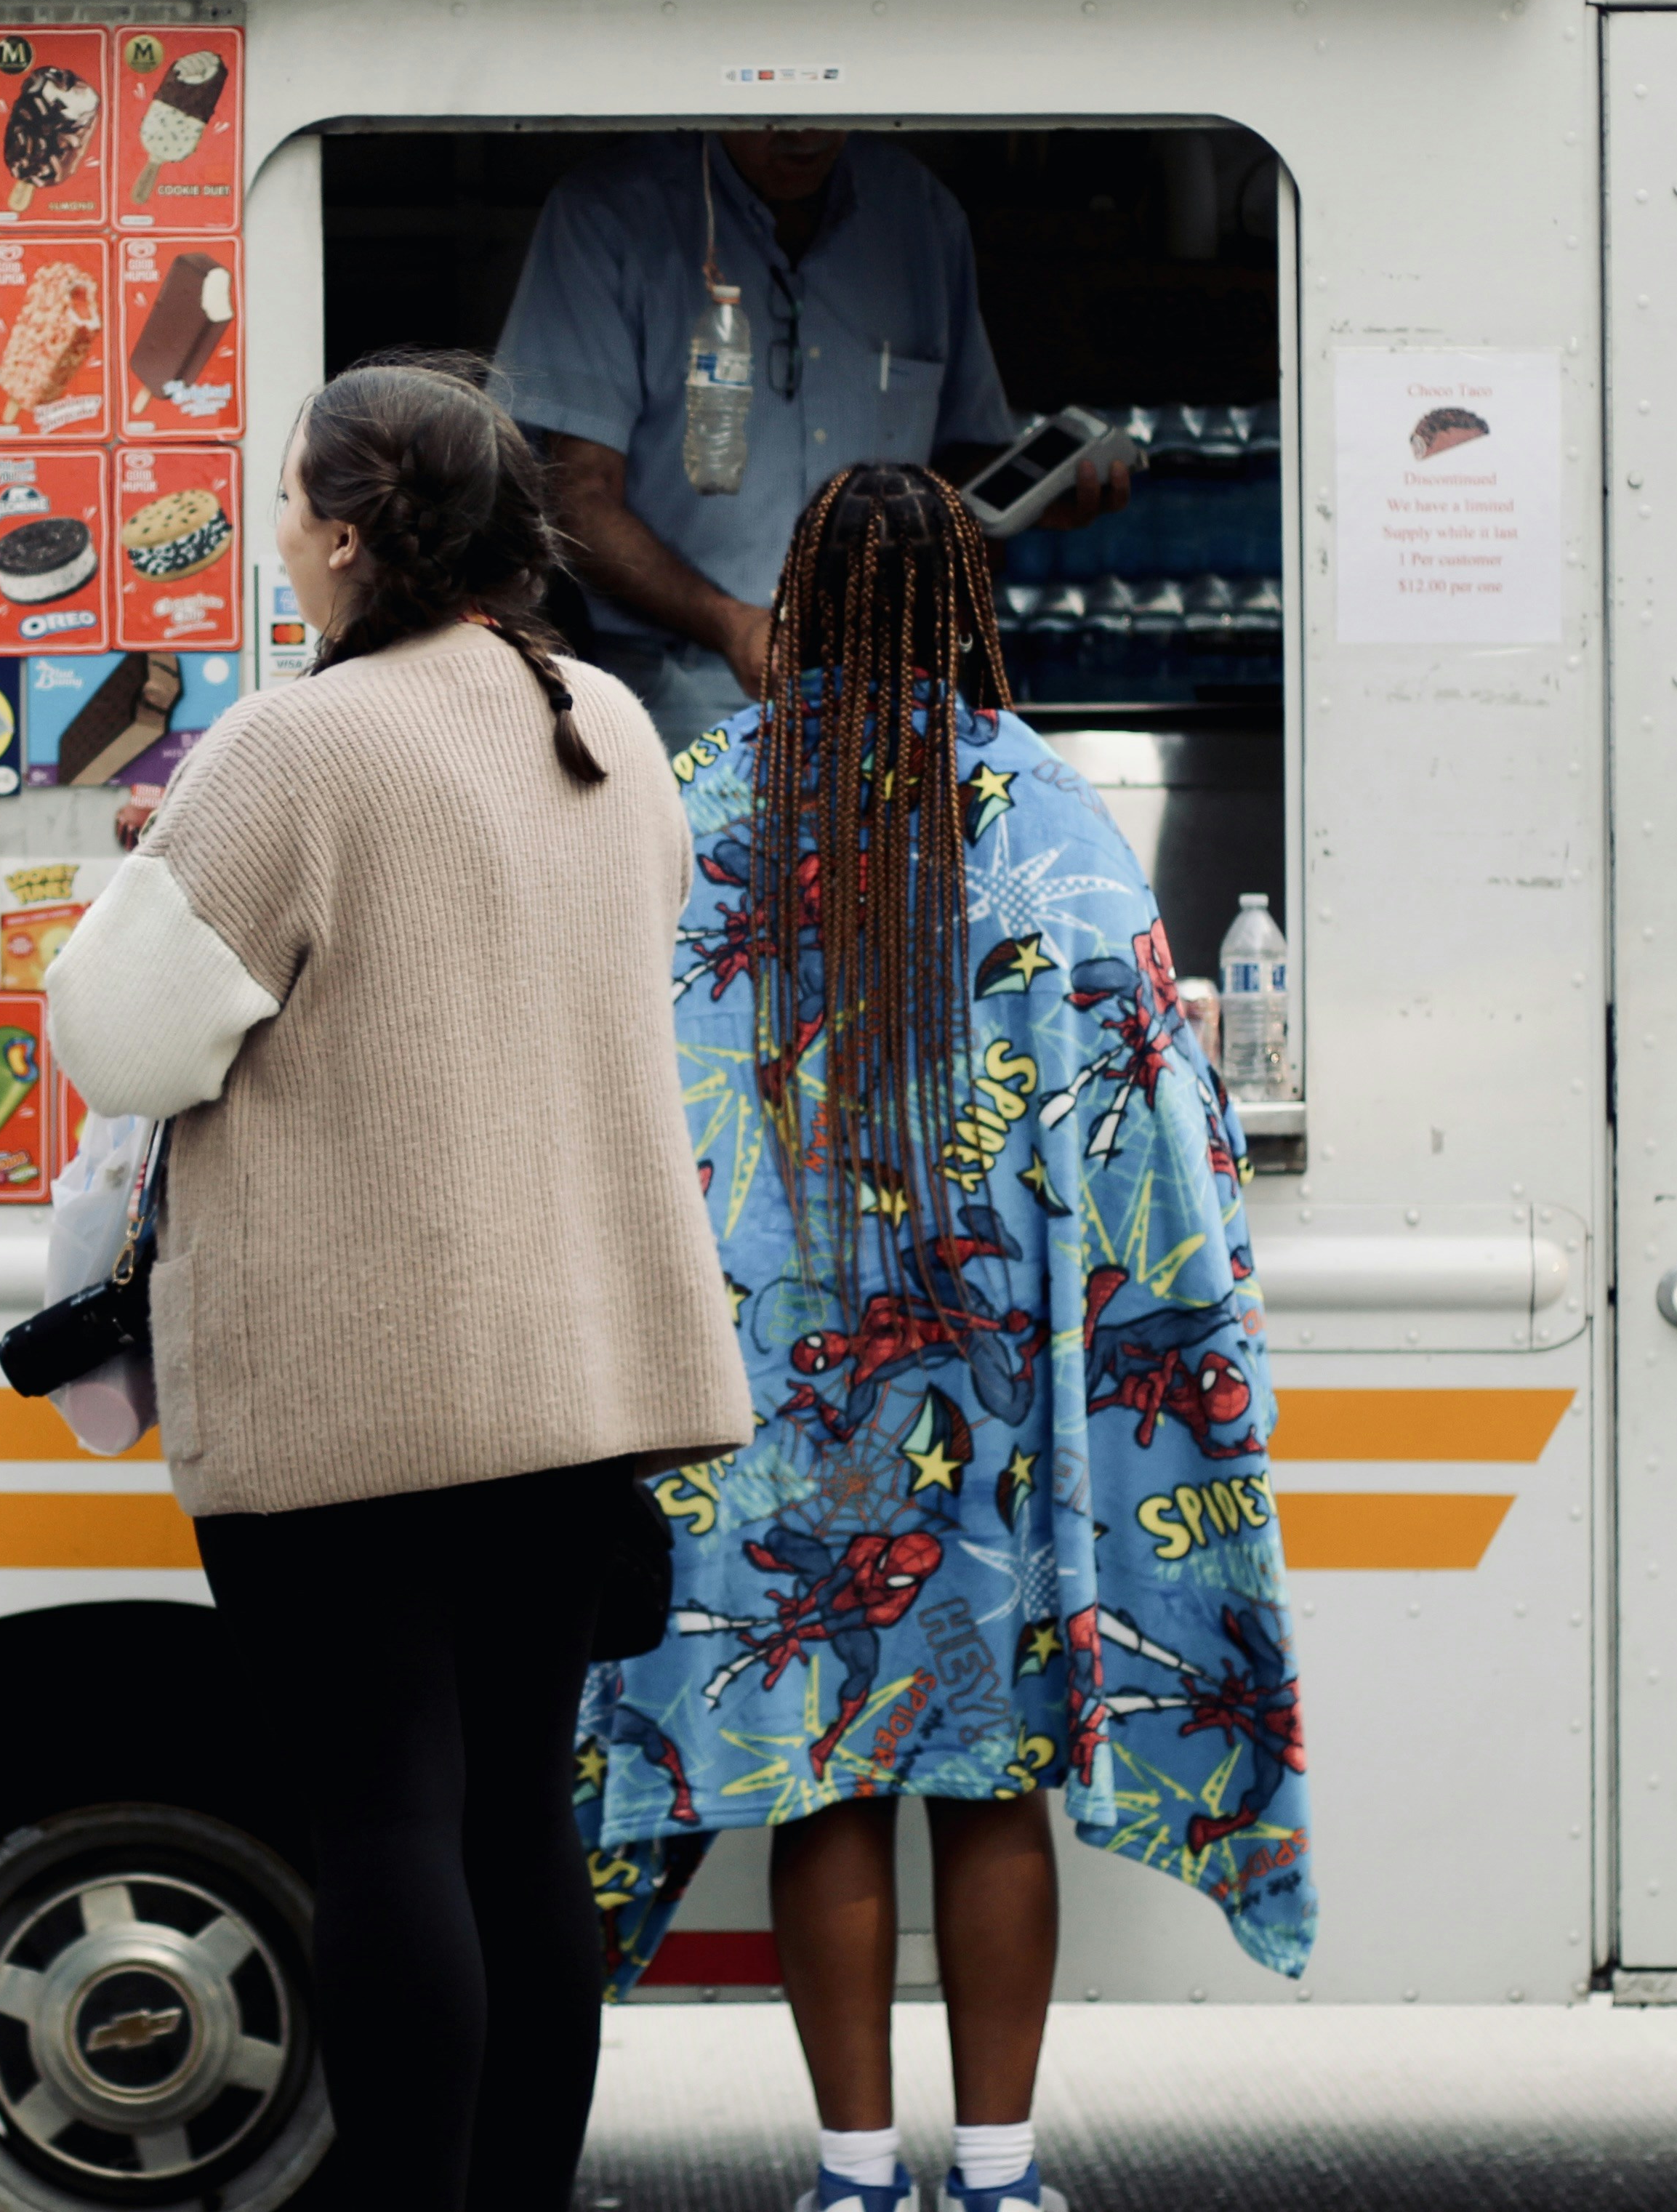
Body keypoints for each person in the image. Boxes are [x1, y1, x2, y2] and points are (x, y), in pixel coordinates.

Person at [44, 355, 752, 2212]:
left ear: (348, 530)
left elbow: (119, 1040)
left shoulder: (299, 738)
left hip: (352, 1372)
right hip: (568, 1368)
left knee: (378, 1820)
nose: (279, 535)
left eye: (288, 503)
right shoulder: (593, 710)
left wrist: (138, 896)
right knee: (519, 1815)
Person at [582, 463, 1312, 2212]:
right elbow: (1157, 1106)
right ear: (970, 608)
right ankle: (993, 2172)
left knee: (821, 1772)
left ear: (799, 593)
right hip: (995, 1390)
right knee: (988, 1775)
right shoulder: (1047, 810)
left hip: (761, 1383)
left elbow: (619, 1075)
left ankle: (848, 2174)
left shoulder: (699, 804)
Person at [494, 129, 1127, 749]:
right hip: (675, 695)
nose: (800, 131)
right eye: (770, 113)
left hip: (890, 687)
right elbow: (576, 491)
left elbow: (952, 465)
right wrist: (731, 625)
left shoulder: (919, 212)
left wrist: (1030, 502)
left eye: (822, 106)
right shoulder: (611, 212)